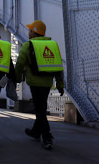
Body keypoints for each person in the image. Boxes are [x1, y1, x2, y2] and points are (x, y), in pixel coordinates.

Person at [15, 20, 64, 150]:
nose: (28, 31)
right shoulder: (52, 45)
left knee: (40, 110)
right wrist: (60, 84)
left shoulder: (28, 45)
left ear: (34, 32)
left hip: (34, 82)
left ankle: (47, 137)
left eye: (30, 30)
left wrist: (18, 78)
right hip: (47, 82)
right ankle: (35, 132)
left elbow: (20, 63)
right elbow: (58, 67)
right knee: (41, 107)